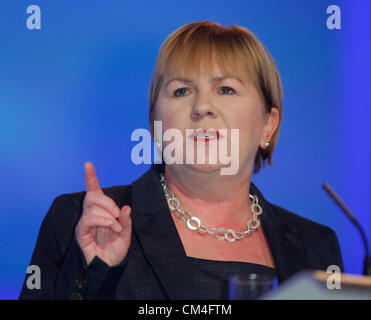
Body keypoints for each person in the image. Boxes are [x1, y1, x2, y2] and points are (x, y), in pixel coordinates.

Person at [19, 21, 343, 300]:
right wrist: (92, 272)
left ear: (268, 124)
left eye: (226, 89)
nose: (202, 106)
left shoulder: (317, 247)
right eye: (182, 91)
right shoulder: (78, 220)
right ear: (155, 123)